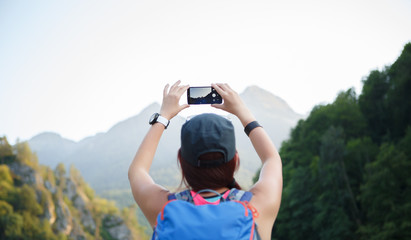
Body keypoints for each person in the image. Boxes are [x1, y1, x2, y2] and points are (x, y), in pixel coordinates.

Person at [128, 81, 283, 240]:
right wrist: (242, 112)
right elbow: (272, 159)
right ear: (235, 160)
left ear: (181, 161)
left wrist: (163, 117)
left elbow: (137, 171)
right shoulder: (257, 206)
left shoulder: (162, 207)